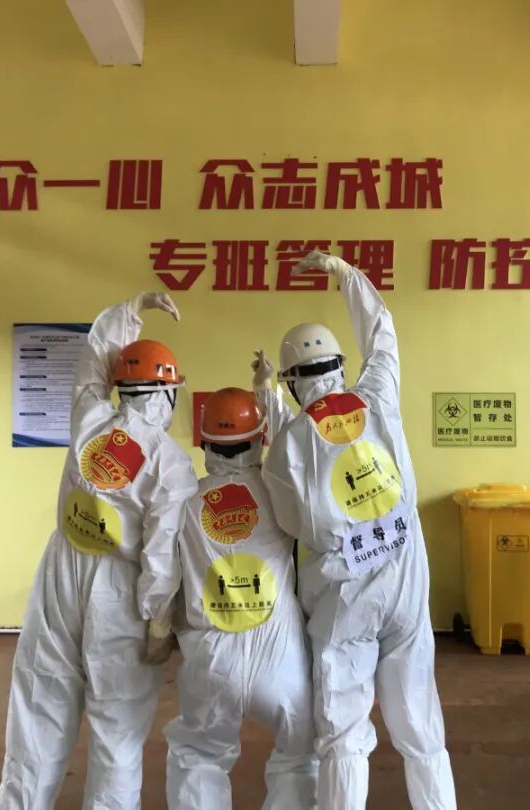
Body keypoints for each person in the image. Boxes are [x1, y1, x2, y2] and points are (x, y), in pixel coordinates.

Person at [256, 252, 457, 809]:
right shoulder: (379, 398)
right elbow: (382, 335)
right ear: (340, 366)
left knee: (343, 736)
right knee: (420, 725)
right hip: (406, 584)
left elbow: (292, 521)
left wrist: (266, 397)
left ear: (292, 382)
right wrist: (347, 276)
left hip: (344, 601)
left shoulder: (289, 443)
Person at [0, 292, 198, 810]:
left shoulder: (89, 419)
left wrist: (130, 311)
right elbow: (160, 554)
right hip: (121, 592)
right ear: (168, 393)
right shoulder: (170, 462)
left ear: (120, 387)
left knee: (38, 707)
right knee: (117, 731)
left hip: (61, 571)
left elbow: (92, 362)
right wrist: (158, 621)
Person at [139, 387, 319, 810]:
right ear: (260, 439)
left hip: (211, 662)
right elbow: (298, 451)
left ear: (204, 443)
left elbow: (161, 572)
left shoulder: (184, 500)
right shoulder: (281, 496)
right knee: (300, 754)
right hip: (281, 662)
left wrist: (158, 626)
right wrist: (271, 394)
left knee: (198, 753)